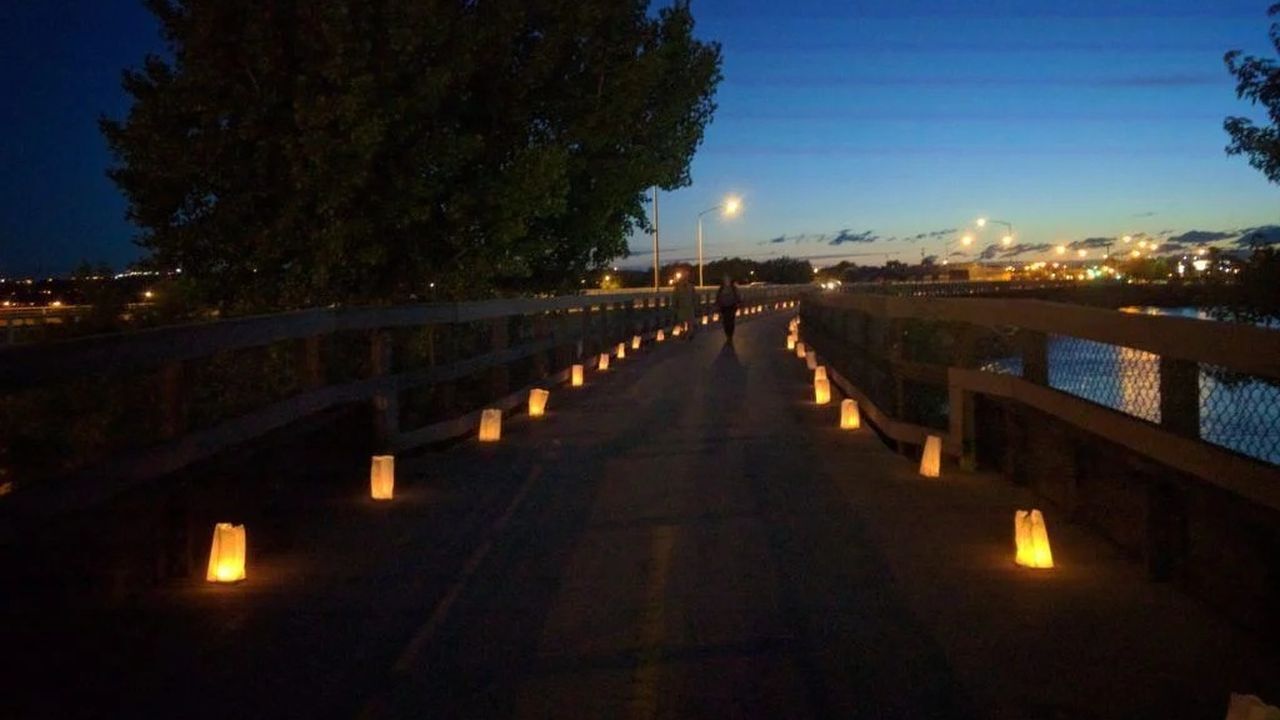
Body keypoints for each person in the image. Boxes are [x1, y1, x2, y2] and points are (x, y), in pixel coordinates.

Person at [715, 275, 741, 342]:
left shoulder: (733, 288)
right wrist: (718, 304)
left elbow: (738, 296)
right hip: (724, 307)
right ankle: (727, 335)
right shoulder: (721, 288)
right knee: (725, 322)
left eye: (727, 279)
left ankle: (730, 335)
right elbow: (718, 297)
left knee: (731, 321)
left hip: (732, 306)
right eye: (725, 280)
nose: (726, 281)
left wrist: (738, 303)